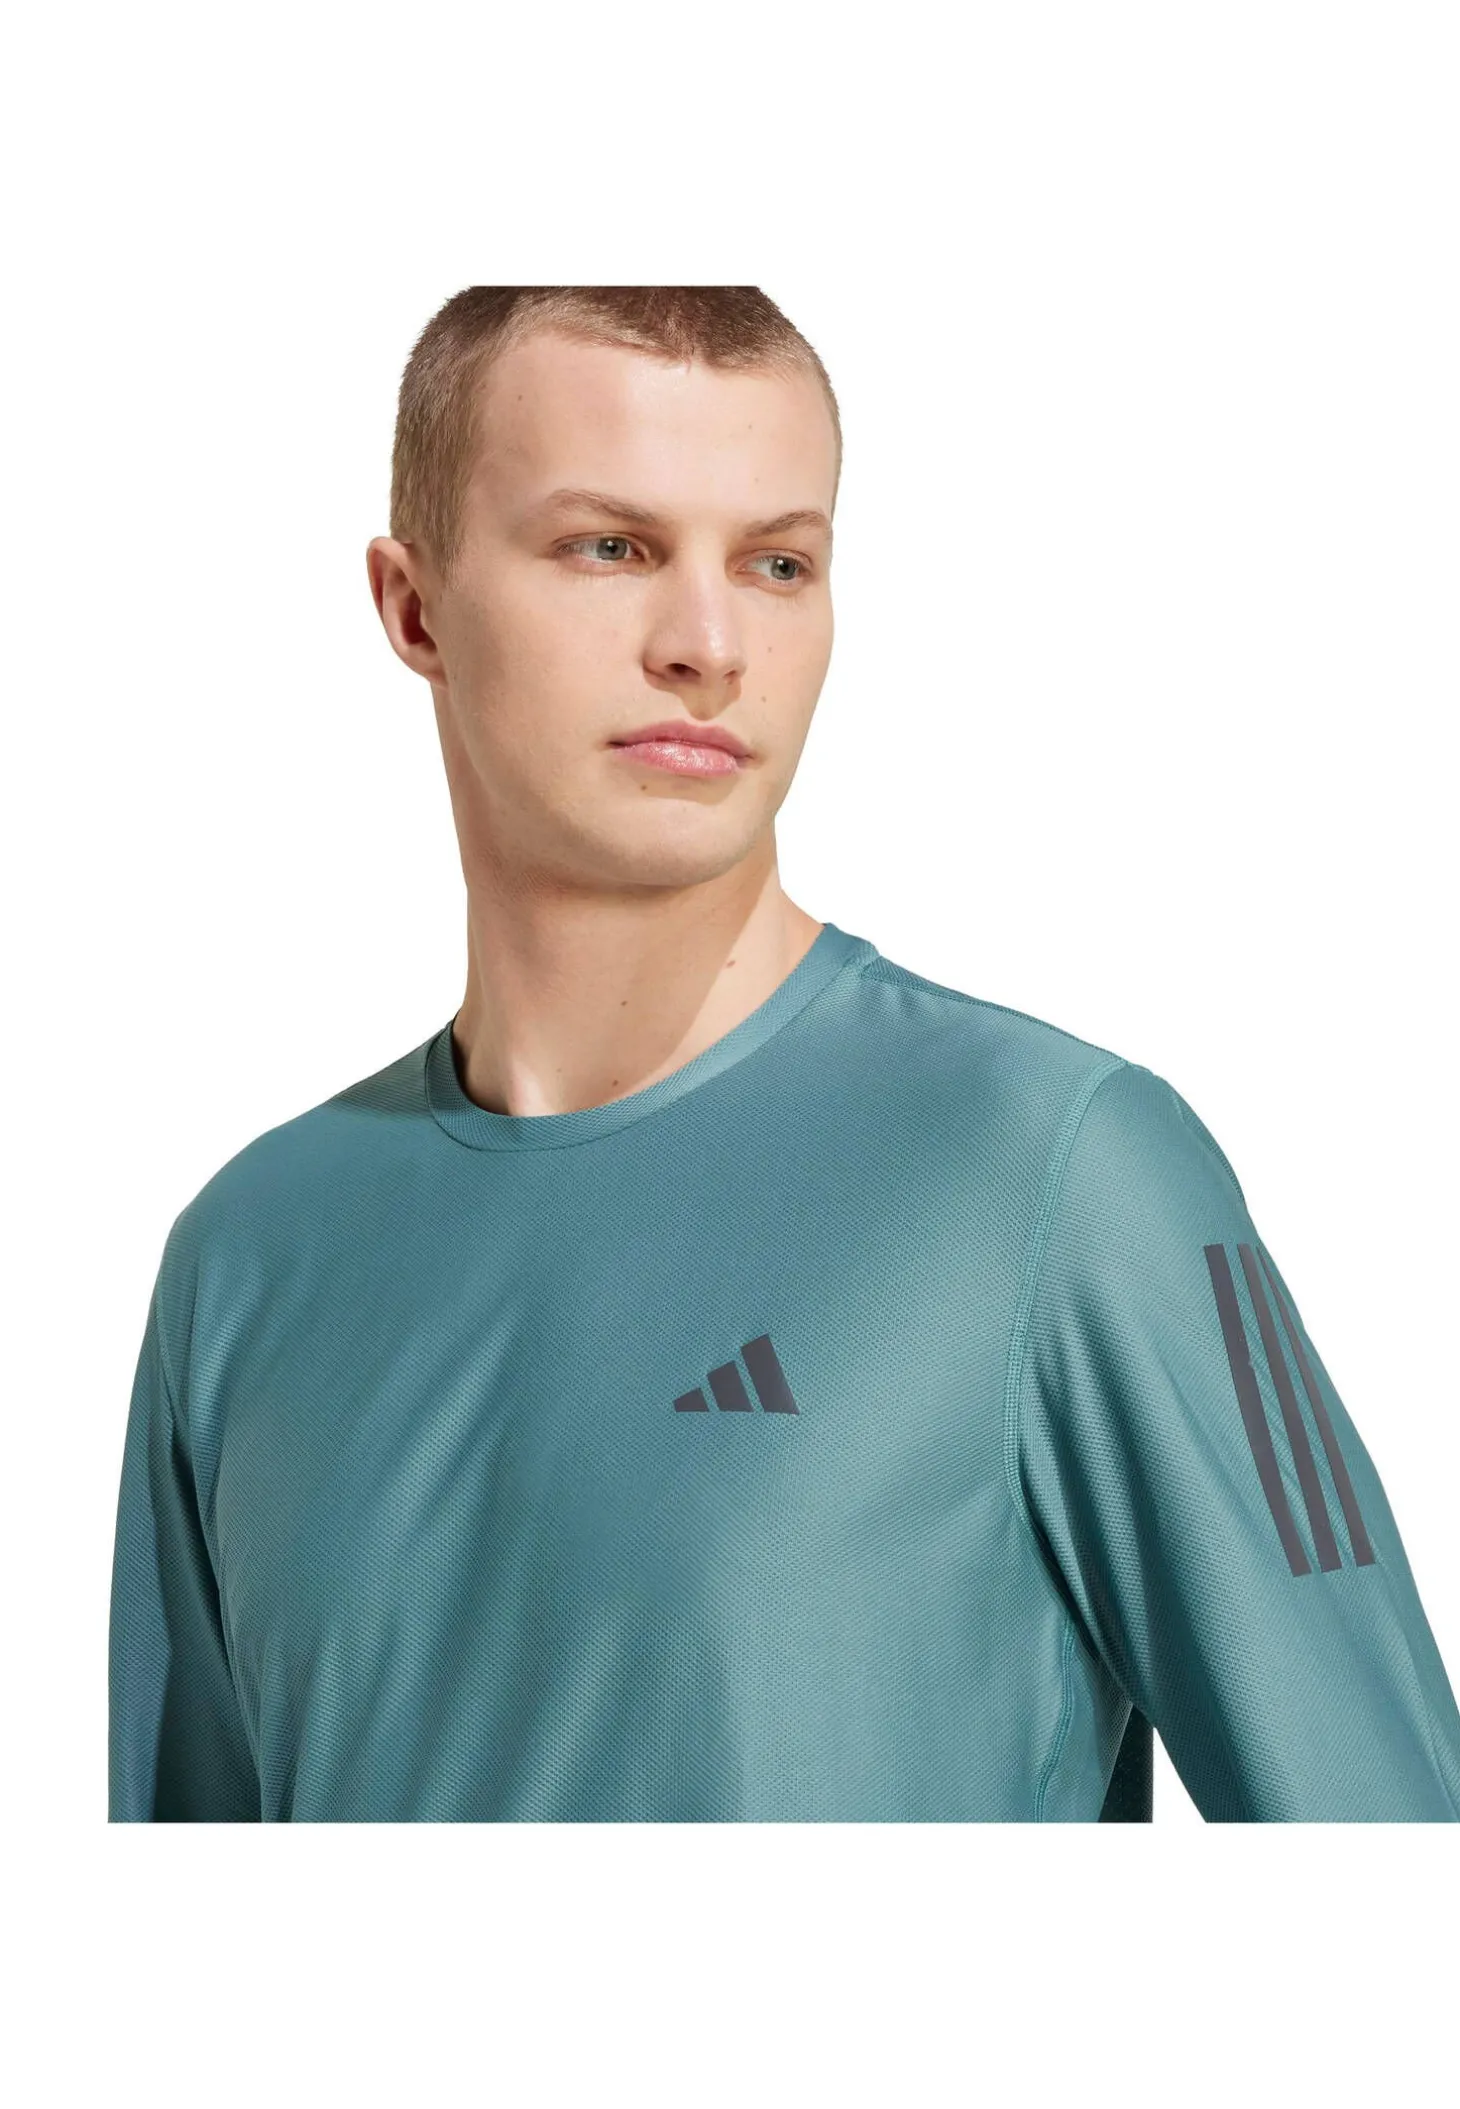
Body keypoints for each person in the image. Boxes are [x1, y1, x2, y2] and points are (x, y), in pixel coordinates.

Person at [108, 284, 1460, 1823]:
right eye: (610, 547)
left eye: (777, 564)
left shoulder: (1066, 1173)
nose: (708, 645)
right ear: (414, 610)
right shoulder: (248, 1253)